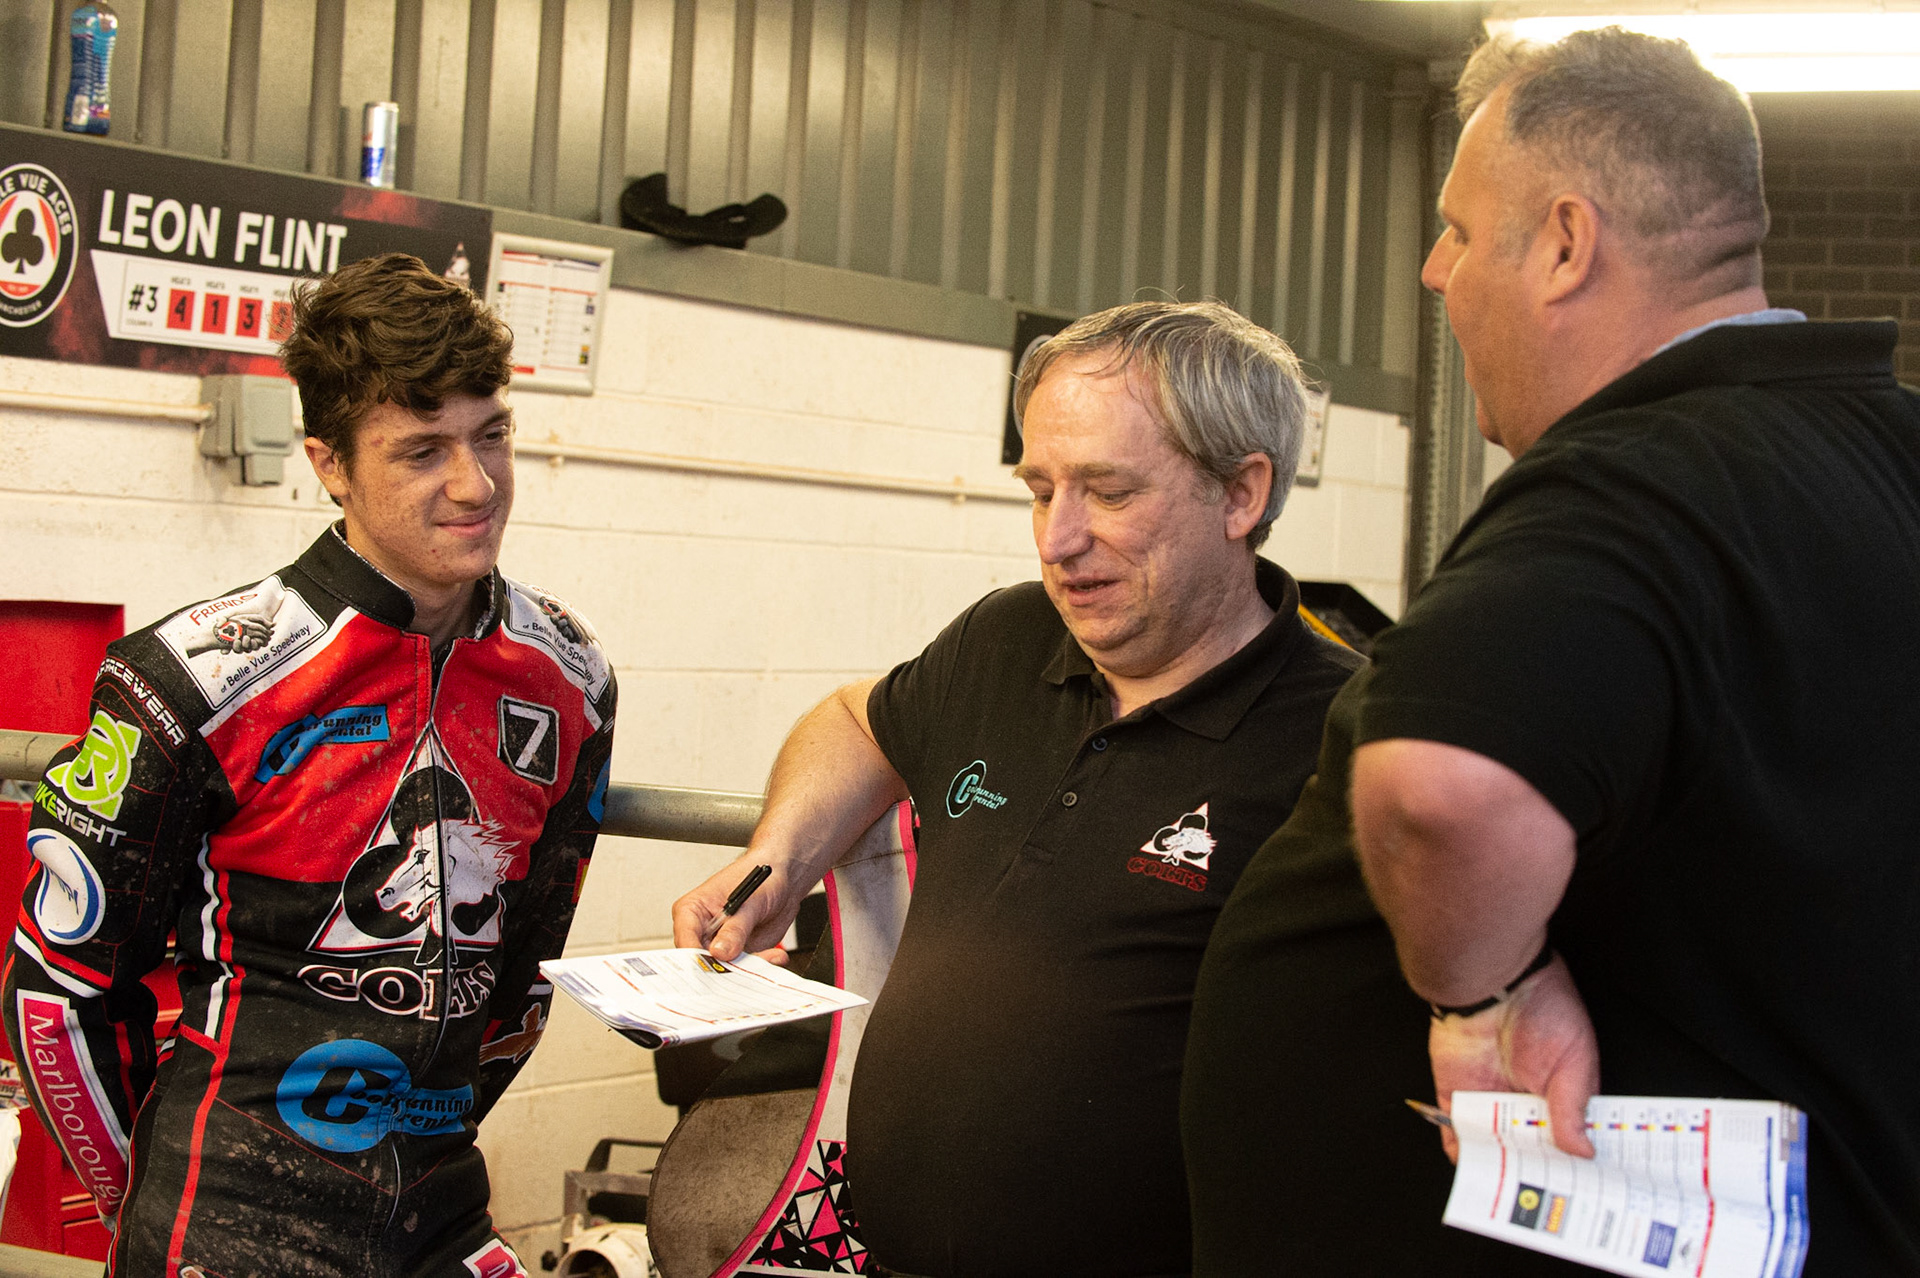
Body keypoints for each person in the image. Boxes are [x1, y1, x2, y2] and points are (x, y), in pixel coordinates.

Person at [1342, 28, 1920, 1274]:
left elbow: (1444, 790)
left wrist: (1483, 997)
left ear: (1564, 242)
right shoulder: (1894, 453)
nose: (1437, 272)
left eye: (1457, 227)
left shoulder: (1630, 482)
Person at [673, 300, 1361, 1276]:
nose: (1057, 539)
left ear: (1242, 493)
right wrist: (775, 862)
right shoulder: (1006, 641)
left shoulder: (1341, 747)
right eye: (1041, 490)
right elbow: (855, 721)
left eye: (1109, 493)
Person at [4, 253, 617, 1276]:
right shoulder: (190, 679)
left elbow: (524, 976)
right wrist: (146, 1216)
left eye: (492, 435)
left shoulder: (573, 676)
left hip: (440, 1208)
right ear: (331, 463)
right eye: (422, 451)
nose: (475, 485)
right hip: (228, 1214)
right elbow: (58, 993)